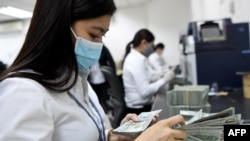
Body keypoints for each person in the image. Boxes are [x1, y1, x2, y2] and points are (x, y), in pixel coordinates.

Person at [0, 0, 187, 141]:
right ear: (57, 26)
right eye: (93, 34)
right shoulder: (23, 92)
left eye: (102, 36)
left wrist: (114, 135)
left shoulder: (77, 79)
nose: (98, 44)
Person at [122, 29, 176, 115]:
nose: (153, 48)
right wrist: (164, 80)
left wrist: (159, 75)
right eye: (151, 45)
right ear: (143, 43)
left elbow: (149, 75)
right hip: (138, 110)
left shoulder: (141, 58)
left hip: (142, 106)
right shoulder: (135, 61)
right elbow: (145, 91)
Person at [88, 44, 116, 112]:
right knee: (97, 101)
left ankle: (108, 112)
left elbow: (111, 60)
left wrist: (113, 75)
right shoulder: (85, 50)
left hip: (103, 79)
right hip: (92, 81)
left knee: (106, 99)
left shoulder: (101, 47)